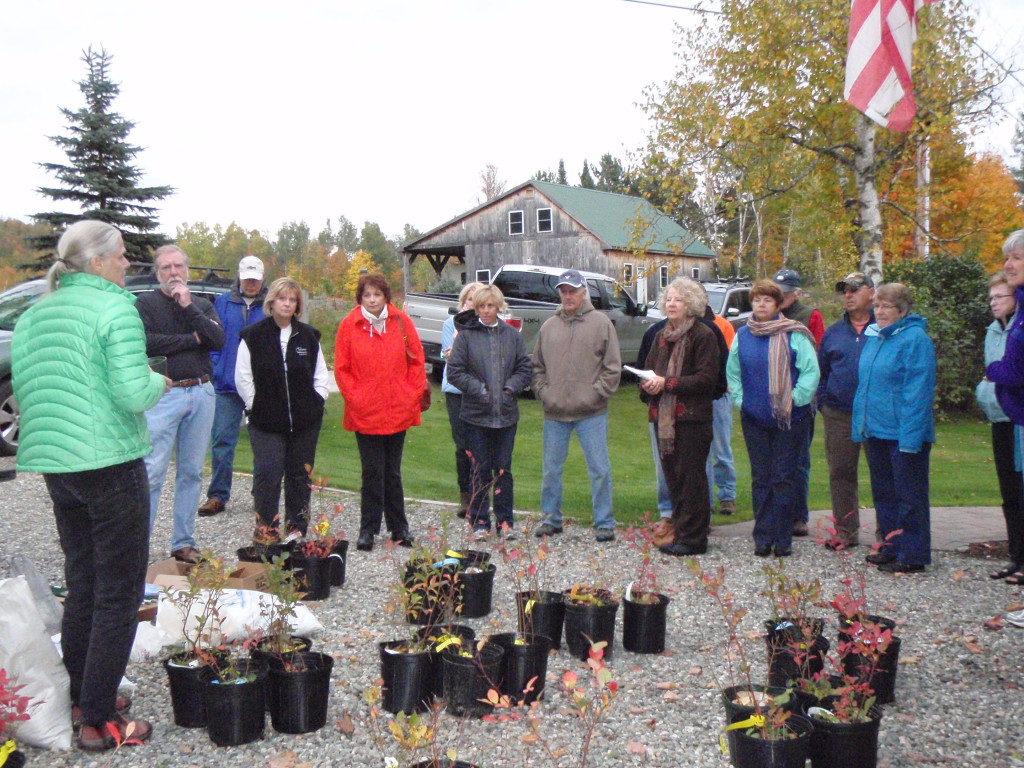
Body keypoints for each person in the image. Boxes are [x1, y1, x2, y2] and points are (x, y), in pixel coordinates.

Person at [11, 220, 166, 750]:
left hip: (58, 464)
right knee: (119, 593)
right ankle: (100, 722)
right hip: (109, 460)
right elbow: (130, 391)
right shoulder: (115, 307)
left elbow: (32, 389)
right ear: (98, 261)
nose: (128, 264)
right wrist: (159, 381)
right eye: (122, 255)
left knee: (84, 582)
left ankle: (81, 692)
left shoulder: (35, 316)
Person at [136, 245, 225, 563]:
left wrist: (188, 308)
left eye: (178, 267)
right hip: (164, 395)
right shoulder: (145, 303)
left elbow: (218, 340)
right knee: (152, 472)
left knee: (191, 472)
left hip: (201, 393)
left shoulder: (201, 304)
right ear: (157, 272)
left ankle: (183, 542)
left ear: (187, 270)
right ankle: (137, 547)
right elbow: (147, 342)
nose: (173, 273)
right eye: (166, 268)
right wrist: (192, 339)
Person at [727, 279, 819, 558]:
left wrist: (795, 400)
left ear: (779, 305)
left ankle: (783, 538)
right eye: (757, 300)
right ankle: (762, 537)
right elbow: (733, 373)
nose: (761, 305)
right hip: (754, 417)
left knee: (783, 477)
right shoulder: (742, 335)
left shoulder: (795, 334)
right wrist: (743, 402)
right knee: (761, 477)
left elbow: (810, 373)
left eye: (767, 300)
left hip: (790, 419)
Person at [334, 273, 423, 552]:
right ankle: (368, 529)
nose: (372, 300)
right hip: (366, 411)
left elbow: (417, 362)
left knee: (392, 471)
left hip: (398, 408)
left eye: (377, 295)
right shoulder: (349, 325)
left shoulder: (401, 322)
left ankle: (399, 527)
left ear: (386, 297)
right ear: (360, 298)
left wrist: (410, 395)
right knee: (372, 471)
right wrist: (357, 399)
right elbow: (342, 369)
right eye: (367, 295)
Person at [852, 283, 936, 574]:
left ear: (903, 309)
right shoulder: (877, 338)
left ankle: (913, 553)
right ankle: (891, 546)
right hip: (876, 429)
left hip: (904, 433)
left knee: (909, 497)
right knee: (884, 494)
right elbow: (866, 386)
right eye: (877, 306)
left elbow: (918, 393)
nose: (880, 311)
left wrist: (910, 438)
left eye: (886, 306)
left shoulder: (915, 340)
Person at [532, 269, 621, 542]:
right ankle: (551, 520)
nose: (568, 296)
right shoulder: (549, 327)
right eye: (564, 291)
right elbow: (537, 367)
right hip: (555, 413)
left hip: (591, 412)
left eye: (573, 291)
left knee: (599, 470)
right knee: (551, 470)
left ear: (584, 292)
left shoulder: (601, 323)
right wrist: (545, 393)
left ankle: (604, 523)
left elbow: (612, 368)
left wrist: (594, 395)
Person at [236, 277, 328, 537]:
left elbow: (320, 375)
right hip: (266, 423)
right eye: (282, 299)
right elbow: (242, 377)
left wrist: (317, 401)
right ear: (271, 302)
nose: (287, 304)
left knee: (300, 477)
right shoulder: (253, 336)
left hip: (304, 423)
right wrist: (256, 406)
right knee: (268, 475)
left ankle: (296, 532)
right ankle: (266, 530)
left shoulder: (308, 337)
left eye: (292, 299)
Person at [637, 283, 730, 535]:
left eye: (678, 300)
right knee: (673, 479)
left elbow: (706, 379)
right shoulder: (660, 335)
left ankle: (694, 538)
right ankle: (679, 530)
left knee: (692, 480)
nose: (672, 304)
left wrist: (666, 383)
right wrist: (648, 385)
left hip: (692, 419)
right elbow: (647, 371)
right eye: (668, 299)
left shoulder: (703, 334)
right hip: (663, 419)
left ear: (690, 304)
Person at [446, 284, 532, 539]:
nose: (485, 311)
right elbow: (454, 371)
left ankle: (505, 522)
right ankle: (479, 521)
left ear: (499, 307)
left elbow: (524, 368)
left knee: (503, 469)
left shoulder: (512, 336)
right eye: (481, 306)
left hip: (505, 416)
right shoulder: (466, 336)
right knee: (479, 469)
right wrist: (479, 390)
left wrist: (509, 389)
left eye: (490, 306)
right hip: (475, 415)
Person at [199, 255, 267, 518]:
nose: (251, 283)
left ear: (262, 279)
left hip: (260, 386)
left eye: (255, 279)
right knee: (222, 441)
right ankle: (217, 495)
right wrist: (216, 368)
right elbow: (214, 339)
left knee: (263, 443)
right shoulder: (223, 303)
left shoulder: (270, 305)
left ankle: (262, 495)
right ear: (239, 276)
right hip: (226, 384)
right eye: (247, 278)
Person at [817, 272, 876, 550]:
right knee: (841, 473)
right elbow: (822, 372)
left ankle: (887, 537)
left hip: (877, 414)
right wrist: (824, 403)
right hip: (839, 413)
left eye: (854, 289)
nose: (848, 295)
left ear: (871, 293)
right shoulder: (834, 333)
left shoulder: (884, 327)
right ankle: (845, 532)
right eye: (845, 291)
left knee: (882, 474)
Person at [977, 271, 1024, 582]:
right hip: (999, 418)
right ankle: (1016, 556)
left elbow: (1006, 373)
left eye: (1000, 297)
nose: (994, 303)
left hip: (1018, 417)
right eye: (991, 297)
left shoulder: (1018, 332)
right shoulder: (992, 332)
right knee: (1009, 492)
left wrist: (995, 374)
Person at [773, 268, 824, 537]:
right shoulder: (766, 316)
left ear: (797, 294)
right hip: (771, 396)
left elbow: (816, 357)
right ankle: (774, 512)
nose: (781, 298)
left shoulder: (810, 316)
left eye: (785, 294)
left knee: (799, 459)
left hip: (800, 397)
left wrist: (802, 394)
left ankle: (798, 514)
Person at [440, 281, 485, 518]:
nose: (472, 304)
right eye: (470, 299)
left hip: (480, 392)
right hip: (456, 392)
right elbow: (449, 355)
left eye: (478, 301)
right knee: (462, 445)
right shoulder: (451, 324)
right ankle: (465, 496)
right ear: (464, 302)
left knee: (480, 445)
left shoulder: (486, 326)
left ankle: (480, 494)